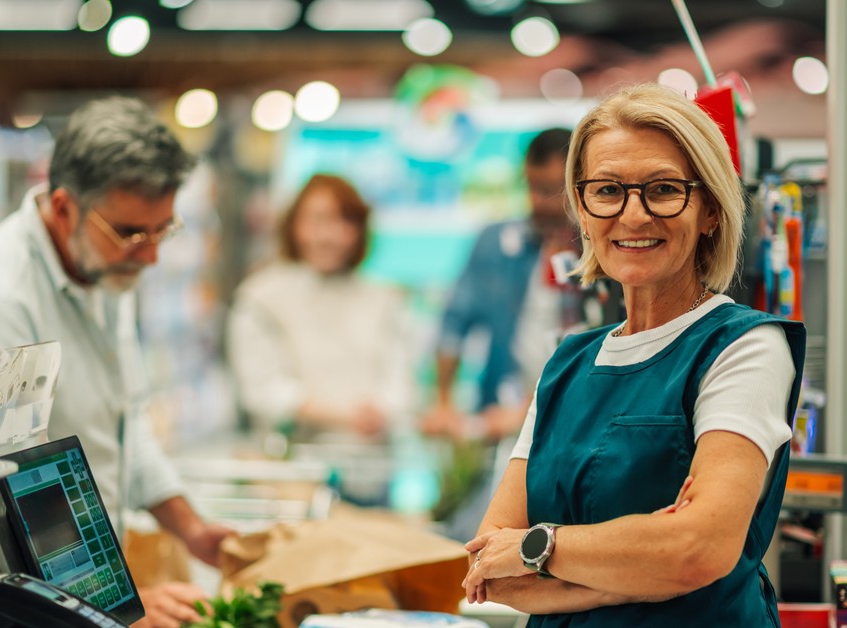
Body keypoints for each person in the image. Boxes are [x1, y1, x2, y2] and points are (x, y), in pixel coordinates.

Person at [460, 83, 806, 625]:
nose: (634, 215)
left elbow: (698, 547)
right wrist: (649, 570)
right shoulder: (566, 364)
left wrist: (540, 547)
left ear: (711, 209)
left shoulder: (744, 347)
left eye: (664, 189)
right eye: (607, 191)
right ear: (581, 206)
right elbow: (492, 566)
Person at [0, 96, 235, 628]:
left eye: (162, 231)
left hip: (85, 597)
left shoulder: (103, 273)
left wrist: (191, 529)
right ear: (64, 208)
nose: (150, 256)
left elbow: (127, 426)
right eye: (131, 233)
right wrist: (113, 606)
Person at [228, 174, 414, 447]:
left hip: (371, 466)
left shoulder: (384, 299)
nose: (329, 235)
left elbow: (401, 384)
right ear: (293, 225)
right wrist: (344, 416)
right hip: (291, 464)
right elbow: (262, 391)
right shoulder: (261, 296)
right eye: (317, 220)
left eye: (344, 221)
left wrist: (382, 411)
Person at [422, 128, 580, 443]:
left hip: (574, 418)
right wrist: (442, 402)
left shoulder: (604, 251)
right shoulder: (495, 243)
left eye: (556, 190)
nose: (546, 203)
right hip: (500, 416)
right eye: (536, 188)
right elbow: (453, 323)